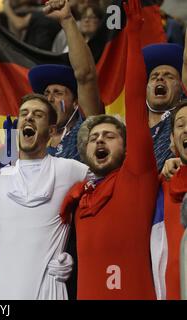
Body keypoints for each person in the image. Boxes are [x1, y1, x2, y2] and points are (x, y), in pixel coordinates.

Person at [59, 0, 158, 299]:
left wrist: (134, 34)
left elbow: (135, 95)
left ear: (127, 146)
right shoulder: (77, 198)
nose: (100, 140)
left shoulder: (136, 174)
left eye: (109, 135)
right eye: (94, 137)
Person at [0, 92, 87, 299]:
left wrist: (73, 254)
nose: (29, 117)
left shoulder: (71, 171)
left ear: (51, 130)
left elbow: (110, 185)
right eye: (24, 113)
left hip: (49, 291)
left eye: (38, 114)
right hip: (3, 293)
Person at [28, 0, 101, 161]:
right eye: (46, 93)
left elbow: (85, 76)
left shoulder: (85, 130)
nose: (49, 98)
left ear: (76, 103)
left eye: (58, 92)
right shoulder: (32, 143)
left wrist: (67, 20)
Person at [151, 99, 187, 300]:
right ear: (172, 141)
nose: (186, 129)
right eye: (180, 125)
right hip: (175, 288)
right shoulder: (163, 185)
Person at [143, 42, 184, 171]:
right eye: (154, 76)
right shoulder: (129, 128)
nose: (160, 78)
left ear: (181, 88)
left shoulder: (183, 124)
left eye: (169, 76)